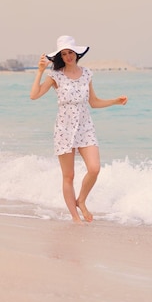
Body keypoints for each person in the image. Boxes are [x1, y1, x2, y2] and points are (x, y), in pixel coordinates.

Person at [30, 35, 128, 223]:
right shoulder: (55, 76)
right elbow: (34, 95)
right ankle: (75, 218)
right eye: (64, 53)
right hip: (64, 129)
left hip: (85, 127)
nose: (68, 56)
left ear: (77, 53)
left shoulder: (87, 74)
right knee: (69, 175)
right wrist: (40, 71)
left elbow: (94, 102)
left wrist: (115, 101)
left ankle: (81, 200)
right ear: (60, 56)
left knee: (94, 168)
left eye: (70, 52)